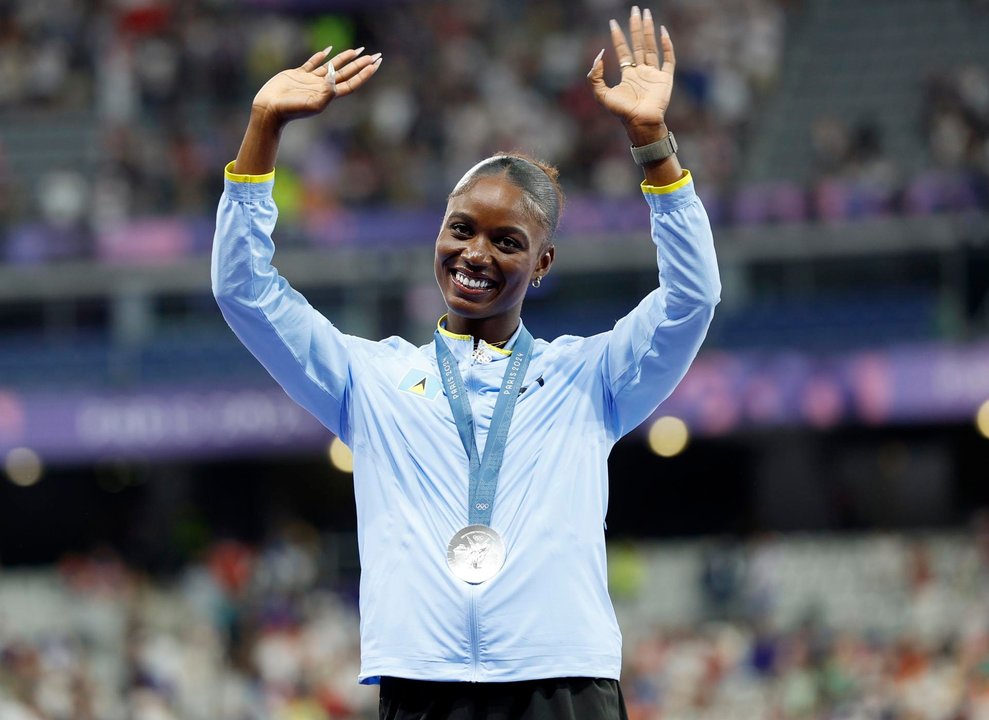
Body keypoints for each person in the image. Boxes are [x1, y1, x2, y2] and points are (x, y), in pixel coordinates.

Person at [212, 6, 720, 719]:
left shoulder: (589, 381)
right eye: (460, 229)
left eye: (506, 241)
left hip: (564, 684)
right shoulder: (372, 381)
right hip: (421, 686)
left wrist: (652, 146)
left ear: (541, 263)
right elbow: (243, 290)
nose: (476, 254)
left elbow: (691, 299)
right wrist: (263, 128)